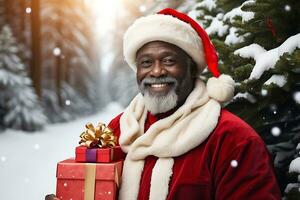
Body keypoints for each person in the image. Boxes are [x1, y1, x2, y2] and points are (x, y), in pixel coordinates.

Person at [46, 8, 281, 200]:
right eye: (146, 62)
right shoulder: (117, 130)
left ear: (191, 68)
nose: (156, 71)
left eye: (169, 60)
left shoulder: (233, 140)